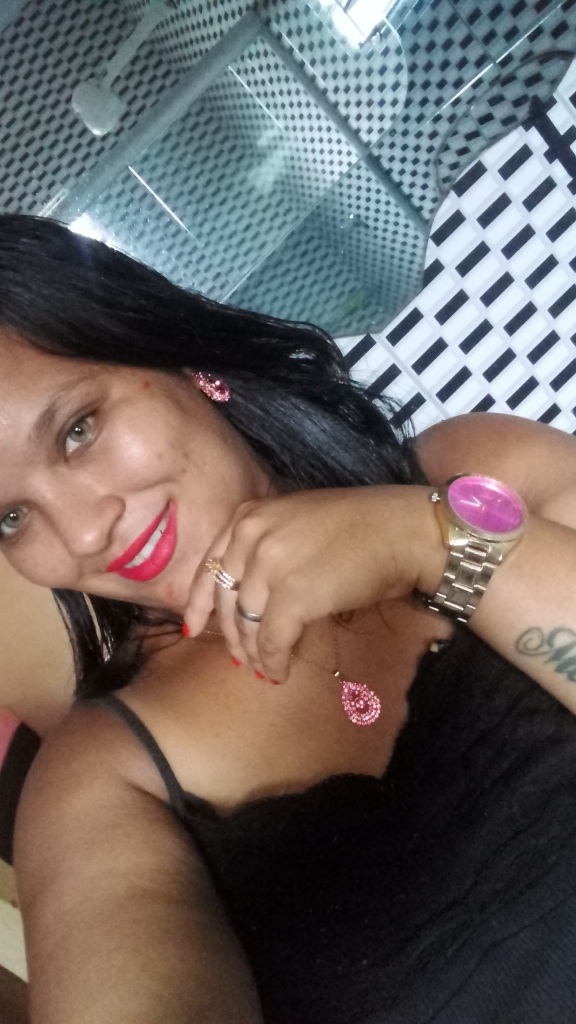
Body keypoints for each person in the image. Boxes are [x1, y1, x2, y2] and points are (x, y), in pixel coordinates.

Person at [0, 213, 575, 1024]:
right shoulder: (102, 779)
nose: (83, 533)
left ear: (175, 357)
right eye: (12, 517)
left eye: (78, 430)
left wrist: (428, 540)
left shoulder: (478, 475)